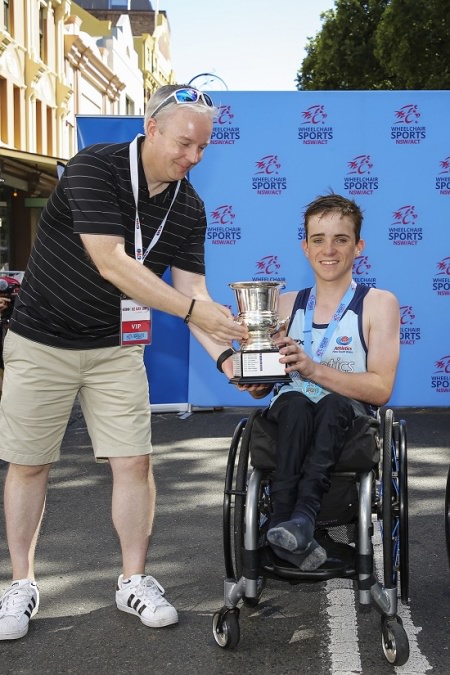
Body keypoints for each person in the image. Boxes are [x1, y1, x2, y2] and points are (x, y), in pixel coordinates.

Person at [0, 84, 247, 640]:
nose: (194, 158)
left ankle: (133, 579)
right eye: (186, 144)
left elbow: (195, 294)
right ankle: (20, 583)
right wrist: (193, 311)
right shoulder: (95, 165)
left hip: (115, 349)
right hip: (41, 340)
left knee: (134, 463)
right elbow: (111, 261)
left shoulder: (189, 207)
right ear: (151, 127)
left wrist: (232, 361)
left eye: (204, 149)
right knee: (29, 463)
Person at [218, 193, 400, 571]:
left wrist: (313, 369)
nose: (328, 249)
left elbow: (381, 389)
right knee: (297, 402)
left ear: (359, 246)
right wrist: (255, 381)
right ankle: (292, 522)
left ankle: (297, 520)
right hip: (292, 415)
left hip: (347, 419)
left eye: (341, 239)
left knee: (331, 402)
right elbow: (265, 387)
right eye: (318, 239)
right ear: (305, 247)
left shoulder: (378, 303)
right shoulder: (282, 305)